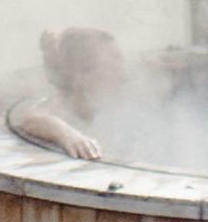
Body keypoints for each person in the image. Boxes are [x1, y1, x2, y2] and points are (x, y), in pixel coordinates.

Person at [7, 25, 137, 162]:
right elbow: (32, 118)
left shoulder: (101, 107)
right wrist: (68, 135)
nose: (123, 76)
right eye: (114, 64)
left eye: (120, 62)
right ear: (84, 73)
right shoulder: (66, 105)